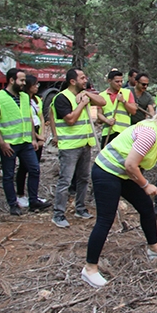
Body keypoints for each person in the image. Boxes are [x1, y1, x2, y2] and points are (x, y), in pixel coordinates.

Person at [82, 108, 157, 288]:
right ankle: (90, 269)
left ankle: (154, 249)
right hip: (107, 171)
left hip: (125, 175)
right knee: (105, 219)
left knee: (146, 208)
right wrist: (145, 185)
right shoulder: (150, 134)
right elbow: (131, 165)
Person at [0, 68, 51, 215]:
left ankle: (33, 201)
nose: (24, 83)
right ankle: (13, 204)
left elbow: (27, 118)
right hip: (9, 144)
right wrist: (2, 143)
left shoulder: (24, 97)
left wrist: (33, 138)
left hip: (25, 142)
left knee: (34, 169)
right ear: (11, 80)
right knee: (8, 175)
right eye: (21, 80)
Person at [51, 68, 106, 227]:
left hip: (85, 144)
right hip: (69, 146)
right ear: (72, 81)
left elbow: (102, 102)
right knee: (66, 180)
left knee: (83, 178)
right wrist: (82, 103)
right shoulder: (61, 98)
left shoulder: (85, 95)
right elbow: (70, 119)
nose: (85, 80)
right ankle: (58, 214)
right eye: (82, 78)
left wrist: (87, 95)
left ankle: (80, 208)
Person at [15, 75, 50, 209]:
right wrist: (35, 136)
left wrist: (42, 135)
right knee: (24, 167)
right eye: (35, 84)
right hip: (28, 136)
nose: (37, 87)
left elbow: (41, 117)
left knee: (35, 167)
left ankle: (33, 196)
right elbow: (26, 120)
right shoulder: (22, 101)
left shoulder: (36, 100)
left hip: (38, 135)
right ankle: (20, 195)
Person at [97, 70, 137, 147]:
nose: (120, 84)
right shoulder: (101, 95)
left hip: (123, 132)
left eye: (121, 81)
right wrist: (106, 120)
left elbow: (133, 111)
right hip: (108, 132)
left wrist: (124, 101)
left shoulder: (127, 93)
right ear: (109, 81)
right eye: (117, 81)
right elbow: (99, 114)